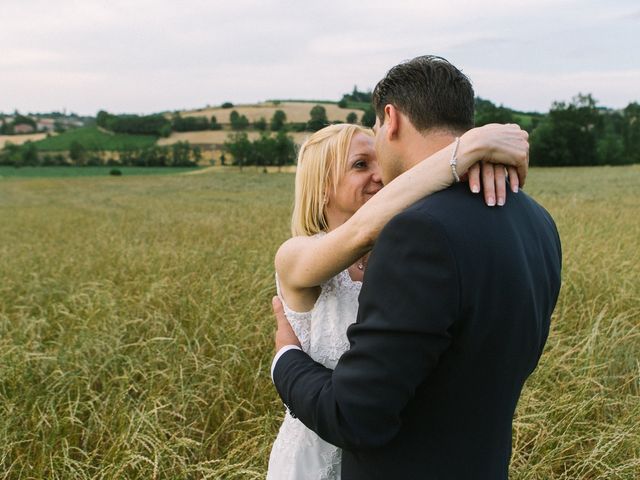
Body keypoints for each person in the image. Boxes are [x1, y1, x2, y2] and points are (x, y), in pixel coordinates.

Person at [271, 55, 562, 479]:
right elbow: (362, 232)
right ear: (320, 189)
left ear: (390, 119)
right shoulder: (535, 220)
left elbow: (358, 411)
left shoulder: (415, 239)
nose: (377, 174)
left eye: (374, 154)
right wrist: (465, 150)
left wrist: (285, 358)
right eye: (358, 165)